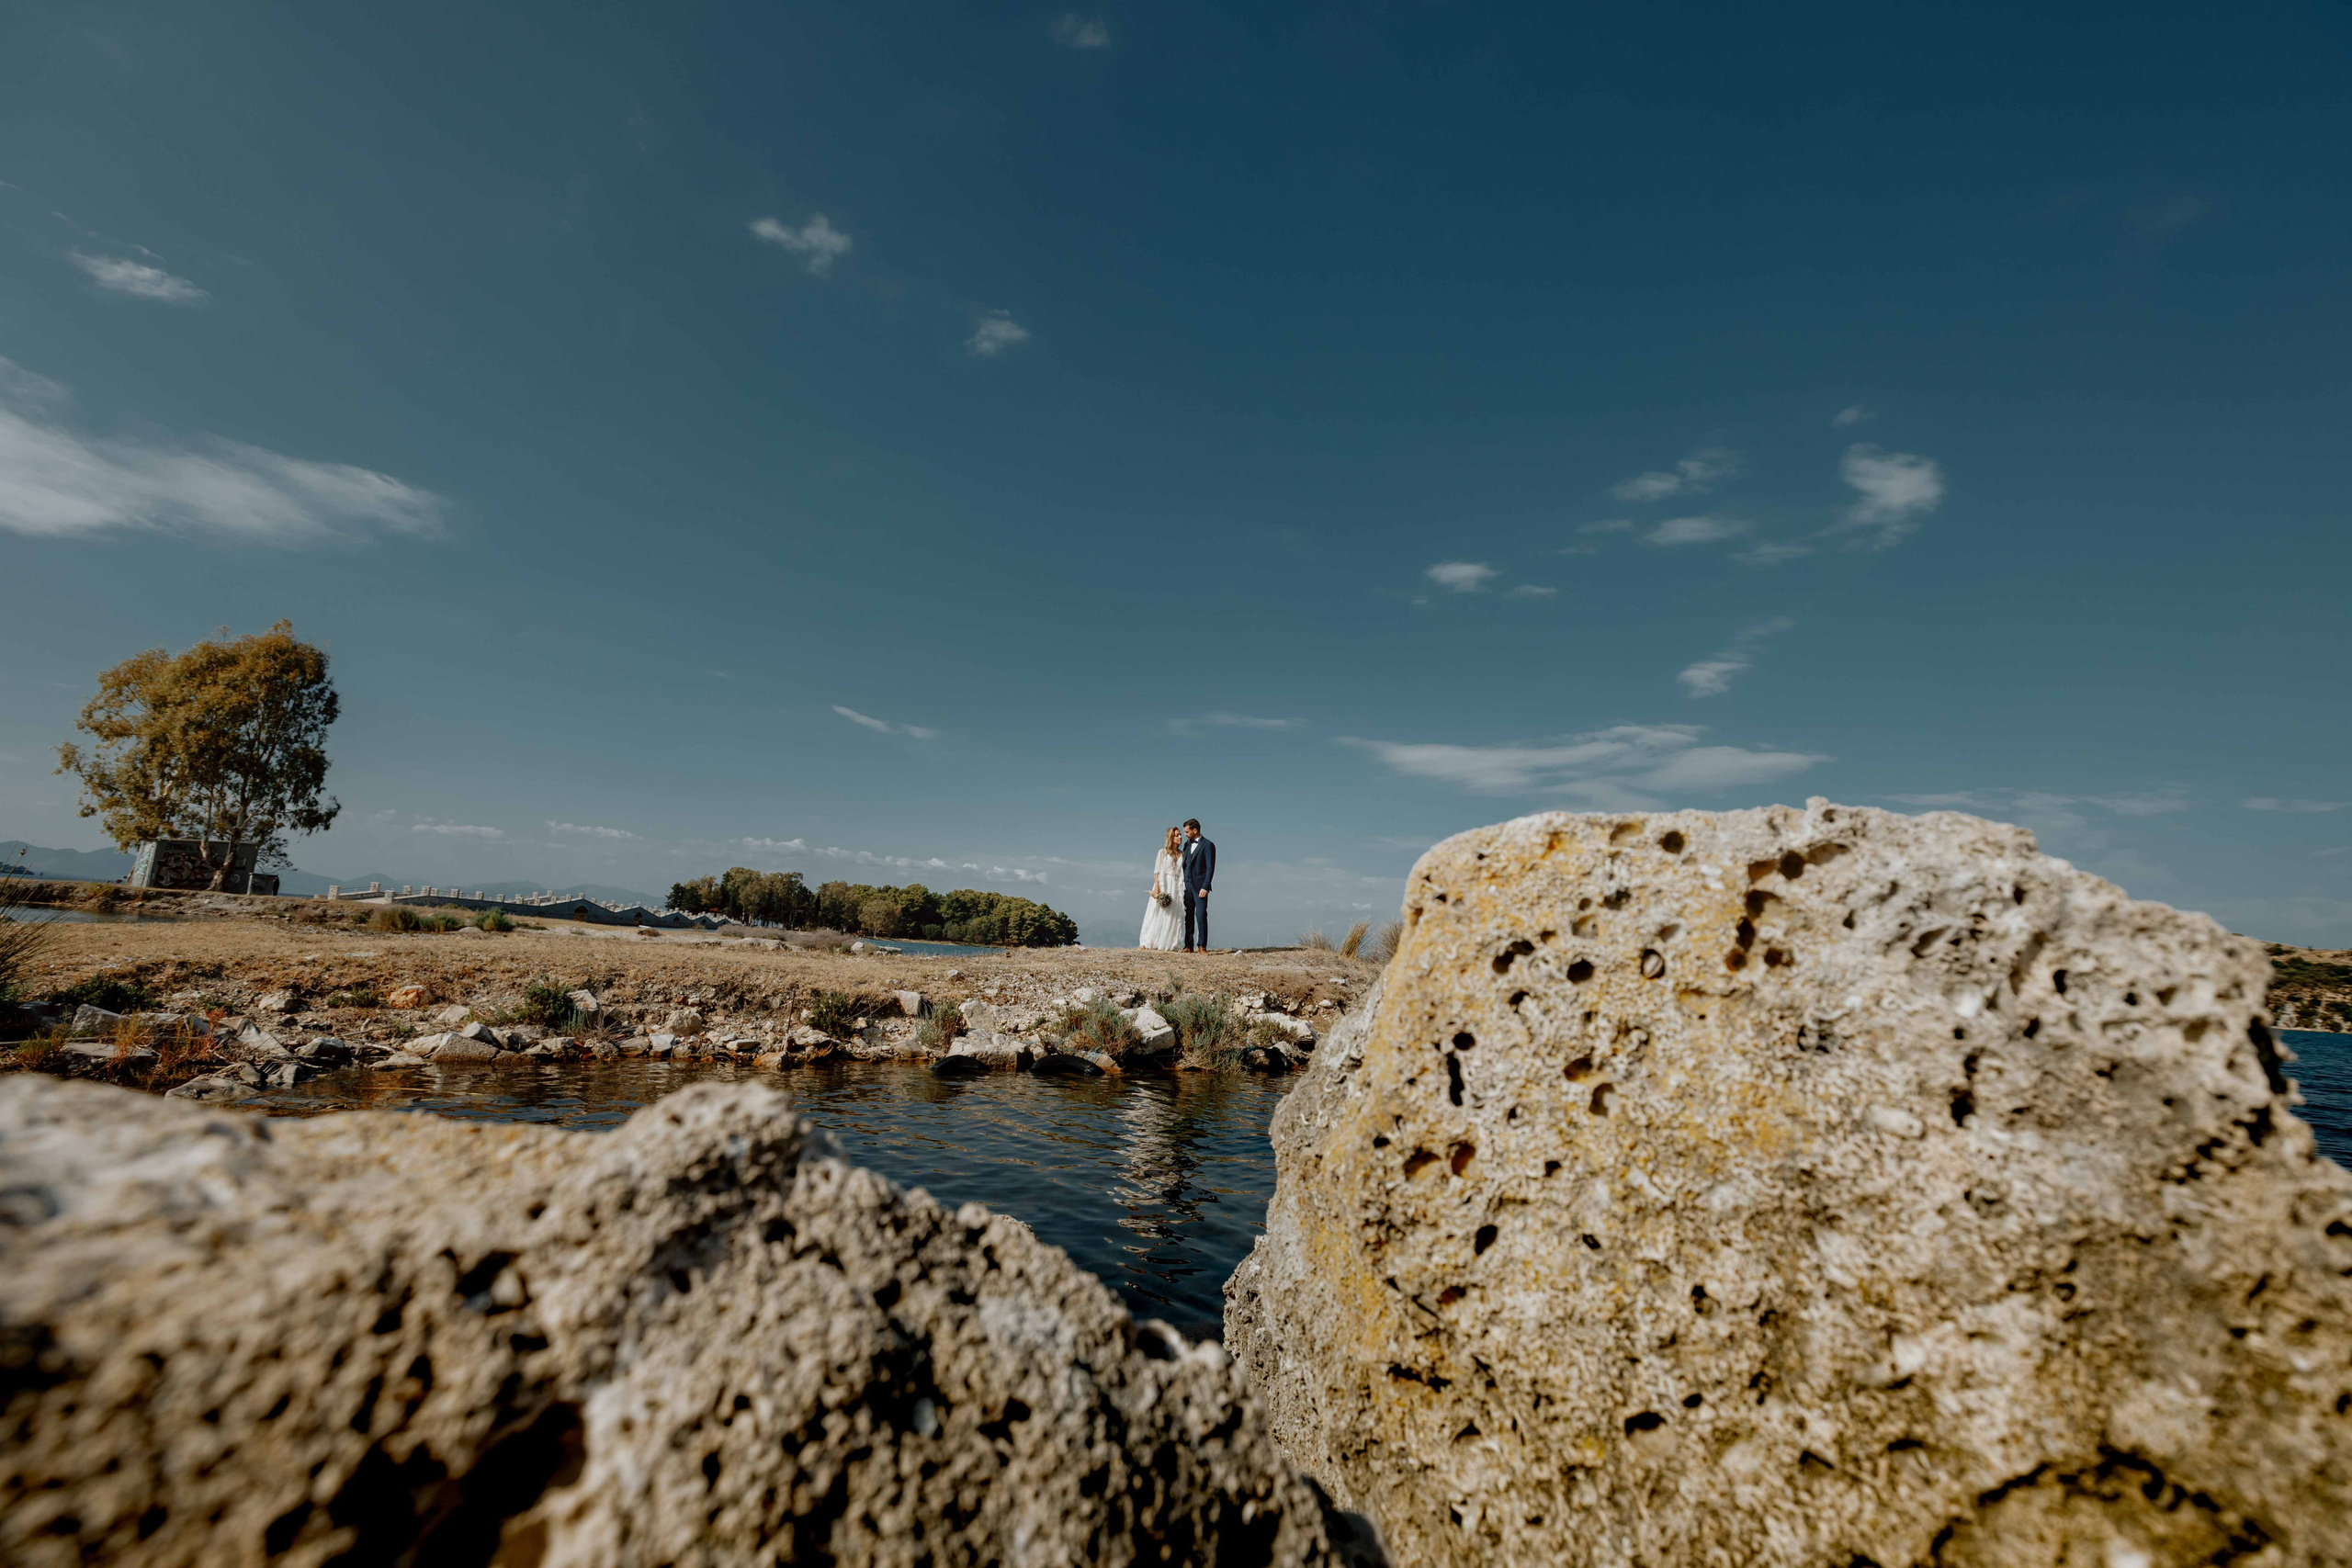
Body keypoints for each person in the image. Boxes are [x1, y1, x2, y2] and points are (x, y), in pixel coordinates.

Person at [1138, 825, 1186, 951]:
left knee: (1173, 915)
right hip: (1164, 883)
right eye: (1177, 835)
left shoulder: (1182, 854)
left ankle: (1168, 942)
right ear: (1171, 837)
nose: (1180, 837)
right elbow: (1157, 871)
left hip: (1176, 886)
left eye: (1180, 834)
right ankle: (1147, 942)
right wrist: (1157, 888)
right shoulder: (1163, 852)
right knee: (1157, 912)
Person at [1182, 818, 1216, 953]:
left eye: (1187, 832)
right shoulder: (1186, 845)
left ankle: (1202, 945)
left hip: (1200, 887)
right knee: (1188, 916)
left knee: (1201, 915)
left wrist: (1205, 887)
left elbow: (1210, 868)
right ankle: (1188, 945)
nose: (1185, 834)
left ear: (1195, 830)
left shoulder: (1208, 845)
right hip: (1186, 886)